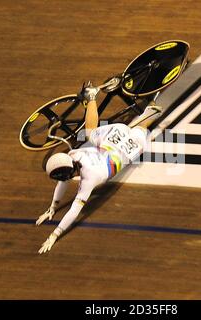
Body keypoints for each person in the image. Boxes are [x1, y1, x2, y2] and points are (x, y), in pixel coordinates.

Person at [37, 83, 162, 254]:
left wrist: (54, 235)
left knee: (142, 126)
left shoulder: (90, 178)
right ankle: (92, 97)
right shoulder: (72, 156)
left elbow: (75, 210)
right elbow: (63, 181)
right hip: (114, 137)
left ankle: (95, 96)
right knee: (91, 133)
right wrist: (53, 206)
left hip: (130, 147)